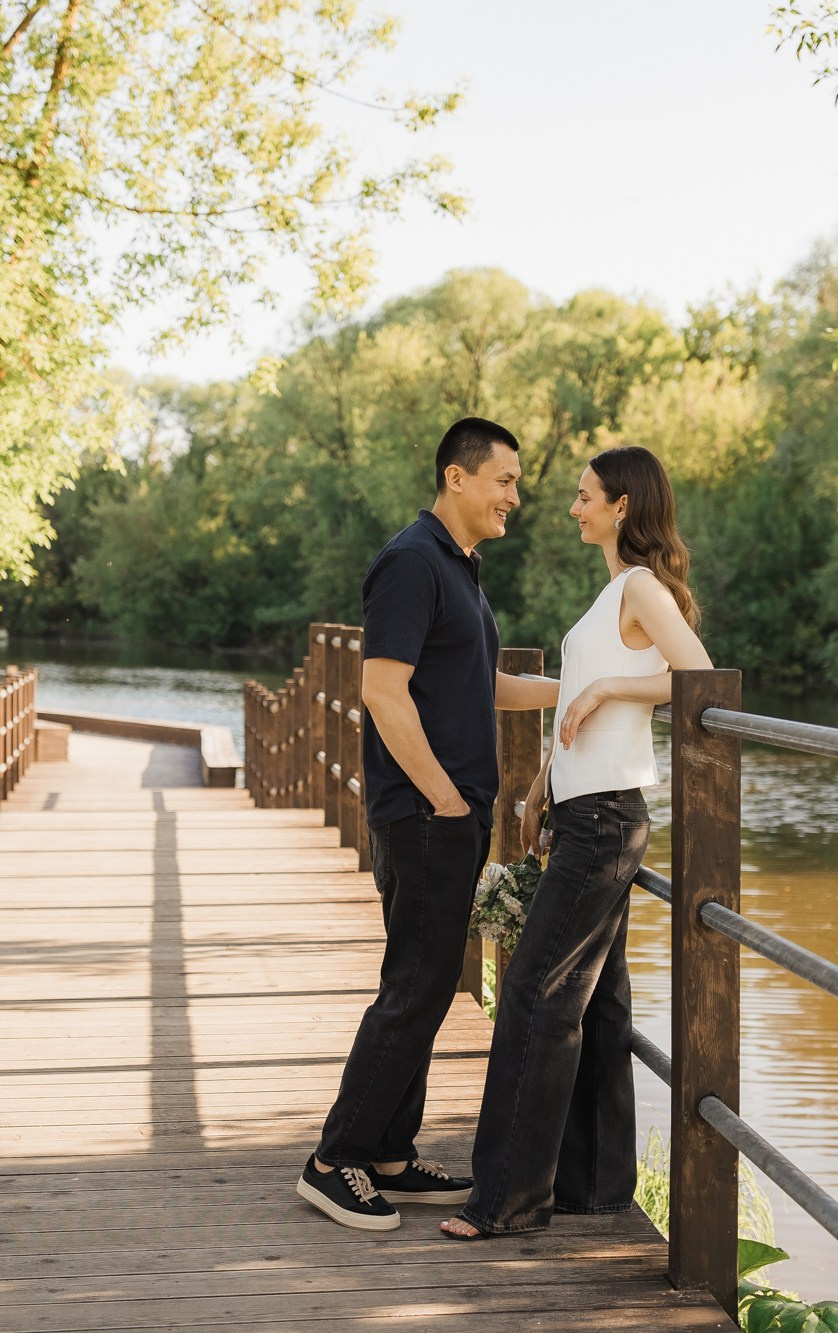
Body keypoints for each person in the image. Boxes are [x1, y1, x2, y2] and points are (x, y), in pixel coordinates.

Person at [296, 417, 560, 1232]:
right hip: (425, 812)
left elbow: (481, 686)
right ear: (457, 477)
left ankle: (387, 1153)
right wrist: (445, 798)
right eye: (504, 479)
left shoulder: (458, 567)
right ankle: (334, 1159)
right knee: (417, 987)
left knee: (427, 981)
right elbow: (382, 690)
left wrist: (582, 686)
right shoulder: (413, 562)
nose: (516, 494)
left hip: (445, 811)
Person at [443, 445, 711, 1239]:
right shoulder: (610, 594)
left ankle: (508, 1200)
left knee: (533, 992)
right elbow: (587, 724)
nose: (572, 506)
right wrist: (540, 785)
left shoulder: (640, 587)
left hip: (608, 820)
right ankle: (594, 1185)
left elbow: (701, 674)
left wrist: (606, 686)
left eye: (585, 495)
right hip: (582, 811)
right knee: (597, 1001)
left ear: (623, 505)